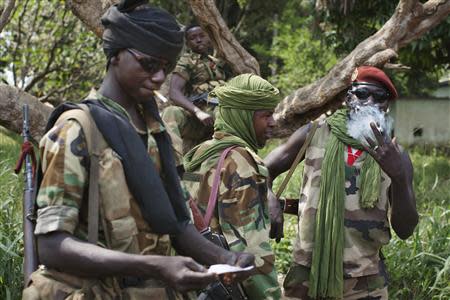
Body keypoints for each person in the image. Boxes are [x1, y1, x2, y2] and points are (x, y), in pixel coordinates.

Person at [22, 2, 253, 299]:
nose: (159, 77)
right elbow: (52, 247)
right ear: (116, 55)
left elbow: (177, 225)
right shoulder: (78, 129)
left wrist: (224, 258)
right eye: (148, 64)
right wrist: (154, 266)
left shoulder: (158, 131)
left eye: (167, 68)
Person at [265, 66, 419, 299]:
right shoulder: (314, 133)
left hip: (365, 280)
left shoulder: (396, 154)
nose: (369, 101)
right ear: (349, 98)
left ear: (386, 106)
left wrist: (398, 176)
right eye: (362, 93)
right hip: (307, 271)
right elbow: (262, 170)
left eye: (379, 97)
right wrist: (270, 201)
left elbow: (405, 229)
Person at [183, 73, 283, 300]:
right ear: (243, 116)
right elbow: (249, 250)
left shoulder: (201, 152)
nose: (273, 123)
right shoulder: (241, 162)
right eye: (266, 115)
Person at [162, 24, 231, 168]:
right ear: (187, 43)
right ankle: (173, 165)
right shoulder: (187, 61)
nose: (198, 40)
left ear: (209, 39)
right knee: (171, 112)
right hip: (198, 118)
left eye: (202, 36)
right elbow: (174, 92)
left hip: (220, 118)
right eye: (193, 38)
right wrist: (198, 112)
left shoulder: (217, 63)